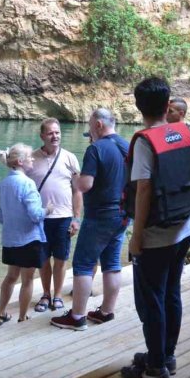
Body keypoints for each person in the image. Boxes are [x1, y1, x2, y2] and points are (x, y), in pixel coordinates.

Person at [120, 77, 190, 378]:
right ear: (168, 104)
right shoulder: (184, 134)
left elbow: (143, 190)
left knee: (151, 300)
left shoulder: (145, 141)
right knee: (171, 293)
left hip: (156, 235)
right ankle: (166, 355)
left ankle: (154, 368)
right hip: (183, 227)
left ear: (138, 106)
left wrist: (137, 236)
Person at [51, 108, 129, 331]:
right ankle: (106, 311)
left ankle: (76, 317)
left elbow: (85, 185)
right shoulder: (126, 145)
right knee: (112, 264)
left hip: (99, 216)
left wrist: (74, 176)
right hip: (122, 215)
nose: (89, 134)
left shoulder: (96, 149)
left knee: (83, 265)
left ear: (98, 125)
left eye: (89, 128)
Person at [28, 118, 82, 312]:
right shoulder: (31, 159)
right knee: (42, 259)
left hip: (63, 217)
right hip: (40, 218)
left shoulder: (70, 158)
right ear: (42, 136)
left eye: (57, 132)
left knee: (60, 259)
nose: (55, 136)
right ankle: (45, 294)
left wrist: (76, 218)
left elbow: (77, 190)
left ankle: (58, 295)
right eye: (50, 133)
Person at [0, 144, 51, 325]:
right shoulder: (27, 183)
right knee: (27, 280)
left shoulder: (2, 184)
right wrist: (47, 210)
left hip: (10, 239)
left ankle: (1, 312)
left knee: (11, 277)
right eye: (29, 157)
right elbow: (35, 215)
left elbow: (1, 217)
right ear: (20, 161)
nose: (33, 159)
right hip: (28, 239)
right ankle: (22, 316)